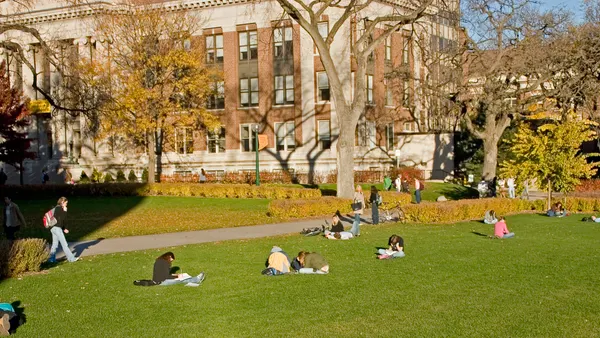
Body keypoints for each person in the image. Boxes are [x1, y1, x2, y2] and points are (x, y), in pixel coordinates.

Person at [48, 197, 78, 263]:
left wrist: (64, 229)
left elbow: (59, 220)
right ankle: (71, 259)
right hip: (57, 229)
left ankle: (51, 259)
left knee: (55, 244)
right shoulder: (60, 209)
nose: (66, 204)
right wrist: (65, 211)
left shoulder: (56, 208)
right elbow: (63, 219)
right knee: (64, 244)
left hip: (53, 228)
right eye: (66, 203)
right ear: (62, 202)